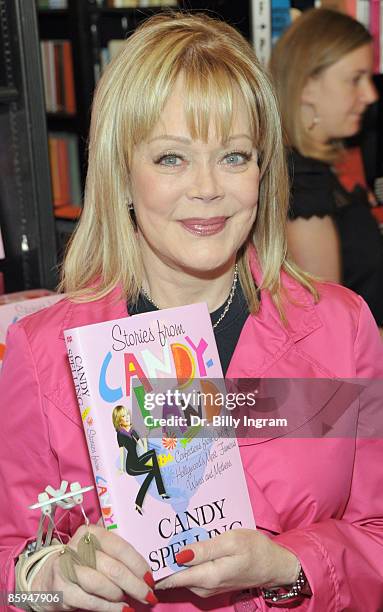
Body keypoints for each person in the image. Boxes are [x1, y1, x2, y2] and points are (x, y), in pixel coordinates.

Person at [0, 11, 382, 612]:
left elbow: (376, 532)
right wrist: (47, 582)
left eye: (234, 156)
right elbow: (11, 560)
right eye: (171, 159)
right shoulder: (44, 350)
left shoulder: (340, 329)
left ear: (263, 170)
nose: (208, 187)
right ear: (121, 173)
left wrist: (289, 564)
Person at [270, 8, 383, 327]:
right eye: (355, 80)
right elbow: (330, 332)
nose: (370, 95)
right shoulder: (303, 184)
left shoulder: (310, 172)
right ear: (307, 86)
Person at [112, 405, 169, 514]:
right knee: (153, 470)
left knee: (152, 454)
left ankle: (153, 496)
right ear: (119, 420)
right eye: (124, 416)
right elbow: (122, 452)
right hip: (131, 466)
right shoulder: (120, 434)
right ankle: (158, 494)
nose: (127, 417)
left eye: (127, 414)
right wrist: (122, 468)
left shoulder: (133, 431)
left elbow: (143, 449)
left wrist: (144, 438)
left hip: (138, 460)